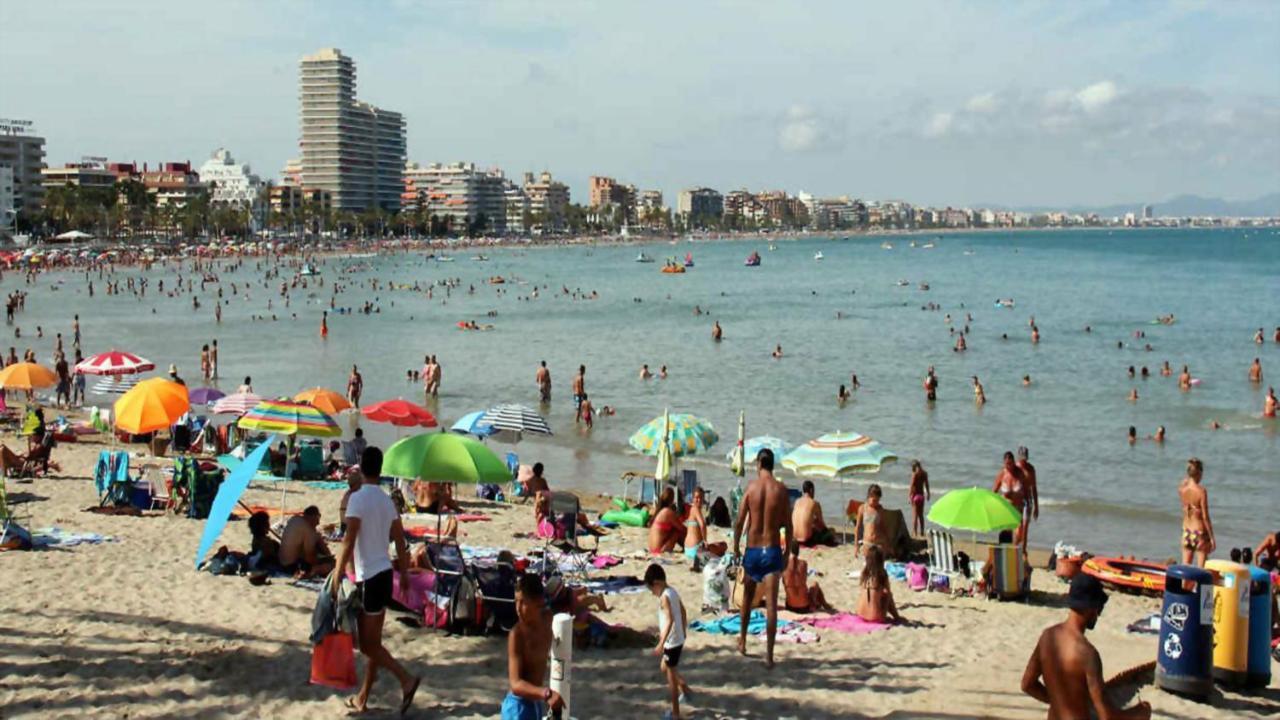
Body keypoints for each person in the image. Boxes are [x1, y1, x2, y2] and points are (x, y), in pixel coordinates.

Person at [329, 447, 419, 715]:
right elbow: (400, 541)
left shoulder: (357, 499)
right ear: (380, 469)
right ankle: (363, 698)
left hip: (369, 576)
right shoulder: (386, 500)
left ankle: (406, 679)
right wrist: (403, 573)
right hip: (384, 574)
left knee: (368, 644)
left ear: (360, 467)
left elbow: (349, 539)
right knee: (374, 642)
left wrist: (336, 575)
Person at [1021, 574, 1151, 720]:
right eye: (1099, 608)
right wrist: (1140, 712)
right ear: (1092, 607)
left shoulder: (1047, 637)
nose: (1098, 615)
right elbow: (1107, 716)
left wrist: (1060, 702)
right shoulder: (1088, 654)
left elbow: (1027, 685)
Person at [733, 448, 791, 667]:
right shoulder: (781, 490)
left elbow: (739, 521)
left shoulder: (751, 488)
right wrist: (787, 552)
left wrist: (736, 546)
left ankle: (743, 641)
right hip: (772, 550)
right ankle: (768, 656)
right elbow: (789, 525)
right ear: (773, 465)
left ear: (758, 464)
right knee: (772, 606)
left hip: (753, 550)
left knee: (747, 599)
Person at [504, 574, 564, 720]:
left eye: (523, 602)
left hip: (536, 701)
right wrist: (546, 694)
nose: (517, 608)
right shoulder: (517, 635)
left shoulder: (549, 620)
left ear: (538, 602)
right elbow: (516, 684)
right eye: (516, 601)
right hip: (517, 706)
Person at [645, 564, 691, 720]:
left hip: (671, 642)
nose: (652, 593)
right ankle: (684, 687)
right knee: (664, 667)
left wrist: (661, 643)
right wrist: (683, 629)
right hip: (678, 638)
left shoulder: (664, 597)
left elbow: (670, 619)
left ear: (657, 583)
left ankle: (676, 714)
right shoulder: (673, 591)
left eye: (652, 590)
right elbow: (683, 610)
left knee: (670, 678)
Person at [279, 505, 335, 578]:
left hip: (281, 562)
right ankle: (311, 573)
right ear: (312, 517)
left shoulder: (294, 519)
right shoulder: (308, 529)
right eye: (318, 518)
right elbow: (310, 558)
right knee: (330, 566)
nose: (318, 523)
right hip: (292, 567)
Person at [1178, 457, 1215, 567]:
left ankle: (1183, 585)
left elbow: (1183, 484)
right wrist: (1212, 538)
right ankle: (1200, 585)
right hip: (1199, 533)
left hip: (1186, 532)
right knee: (1201, 571)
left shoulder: (1182, 489)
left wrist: (1187, 479)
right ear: (1199, 473)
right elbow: (1205, 516)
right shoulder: (1201, 491)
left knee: (1185, 570)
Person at [856, 545, 904, 623]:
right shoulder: (882, 574)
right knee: (887, 595)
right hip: (876, 617)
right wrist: (896, 616)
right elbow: (889, 595)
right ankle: (897, 617)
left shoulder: (864, 573)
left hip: (860, 614)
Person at [782, 544, 833, 613]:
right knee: (815, 584)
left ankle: (821, 604)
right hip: (804, 607)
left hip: (790, 607)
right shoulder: (803, 564)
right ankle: (824, 605)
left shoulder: (783, 565)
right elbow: (802, 580)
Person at [993, 450, 1029, 544]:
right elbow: (994, 491)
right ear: (1004, 463)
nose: (1009, 466)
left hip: (1018, 508)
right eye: (1007, 464)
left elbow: (1026, 490)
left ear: (1014, 462)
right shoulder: (1002, 474)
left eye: (1011, 463)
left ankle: (1014, 549)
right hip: (1006, 508)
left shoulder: (1020, 473)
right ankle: (1007, 553)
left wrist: (1028, 504)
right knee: (1006, 536)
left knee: (1019, 534)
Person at [792, 480, 836, 546]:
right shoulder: (814, 503)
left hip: (794, 537)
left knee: (814, 523)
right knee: (832, 531)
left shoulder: (797, 501)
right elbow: (822, 524)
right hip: (806, 540)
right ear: (811, 490)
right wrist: (828, 531)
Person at [1015, 447, 1040, 553]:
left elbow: (1034, 488)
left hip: (1028, 501)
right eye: (1021, 458)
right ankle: (1015, 546)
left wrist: (1036, 507)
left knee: (1025, 527)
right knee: (1019, 528)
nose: (1023, 460)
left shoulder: (1031, 469)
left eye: (1025, 458)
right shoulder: (1015, 468)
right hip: (1017, 500)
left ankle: (1024, 551)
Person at [854, 484, 888, 557]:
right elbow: (858, 528)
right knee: (868, 565)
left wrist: (887, 544)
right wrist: (856, 546)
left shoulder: (880, 509)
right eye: (874, 500)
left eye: (878, 500)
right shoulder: (862, 508)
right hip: (867, 543)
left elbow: (883, 527)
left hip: (879, 543)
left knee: (878, 566)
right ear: (869, 496)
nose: (876, 502)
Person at [648, 487, 682, 555]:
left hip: (651, 548)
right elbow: (681, 528)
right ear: (672, 499)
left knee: (671, 529)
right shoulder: (667, 512)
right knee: (676, 531)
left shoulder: (658, 511)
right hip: (659, 550)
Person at [908, 460, 930, 536]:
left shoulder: (914, 474)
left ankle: (915, 533)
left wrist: (909, 497)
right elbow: (927, 485)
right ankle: (922, 532)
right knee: (921, 516)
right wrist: (928, 494)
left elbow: (911, 486)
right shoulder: (924, 474)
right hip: (921, 497)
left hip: (915, 496)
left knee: (915, 516)